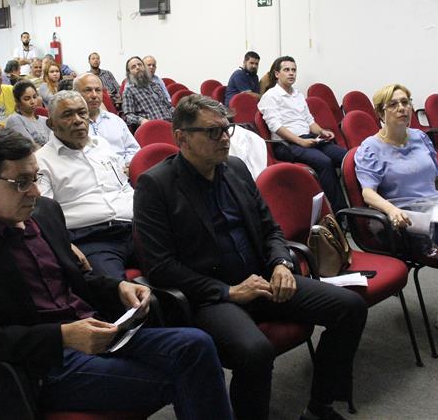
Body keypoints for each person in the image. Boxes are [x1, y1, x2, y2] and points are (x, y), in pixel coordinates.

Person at [0, 128, 232, 419]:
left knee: (198, 345)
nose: (35, 191)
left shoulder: (45, 213)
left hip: (98, 329)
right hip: (44, 362)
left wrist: (118, 288)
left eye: (35, 178)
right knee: (185, 375)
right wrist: (62, 336)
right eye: (21, 182)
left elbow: (76, 280)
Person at [134, 94, 368, 420]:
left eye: (227, 128)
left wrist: (282, 264)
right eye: (213, 132)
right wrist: (228, 292)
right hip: (212, 296)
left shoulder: (235, 168)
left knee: (350, 307)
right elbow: (161, 267)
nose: (225, 138)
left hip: (262, 279)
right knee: (256, 352)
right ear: (181, 137)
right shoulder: (155, 185)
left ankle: (319, 407)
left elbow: (270, 228)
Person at [354, 83, 438, 338]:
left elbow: (436, 178)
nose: (402, 108)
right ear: (380, 112)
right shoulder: (370, 148)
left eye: (406, 102)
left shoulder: (420, 137)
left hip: (436, 208)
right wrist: (391, 210)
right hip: (402, 217)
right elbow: (368, 193)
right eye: (394, 104)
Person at [36, 91, 136, 278]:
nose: (77, 120)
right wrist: (65, 245)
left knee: (184, 261)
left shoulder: (102, 145)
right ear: (51, 124)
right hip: (91, 239)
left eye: (82, 113)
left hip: (134, 228)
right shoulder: (42, 161)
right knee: (117, 291)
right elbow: (45, 217)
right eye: (67, 115)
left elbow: (124, 186)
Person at [258, 56, 348, 212]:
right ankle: (342, 213)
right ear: (277, 74)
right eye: (286, 70)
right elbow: (277, 127)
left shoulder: (298, 95)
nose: (291, 73)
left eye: (294, 70)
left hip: (309, 139)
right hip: (286, 144)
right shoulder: (270, 96)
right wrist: (301, 142)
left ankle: (363, 203)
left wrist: (321, 132)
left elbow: (309, 121)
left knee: (346, 157)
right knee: (324, 162)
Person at [74, 73, 139, 165]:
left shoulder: (115, 121)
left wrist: (128, 165)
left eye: (98, 90)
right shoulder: (70, 126)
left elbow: (133, 149)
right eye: (88, 90)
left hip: (122, 173)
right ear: (76, 94)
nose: (94, 95)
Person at [122, 56, 173, 129]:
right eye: (133, 67)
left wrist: (177, 114)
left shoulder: (156, 85)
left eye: (140, 65)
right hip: (152, 128)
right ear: (129, 72)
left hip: (170, 124)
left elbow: (169, 106)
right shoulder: (129, 91)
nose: (138, 67)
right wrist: (141, 120)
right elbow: (128, 116)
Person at [5, 80, 50, 149]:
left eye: (35, 97)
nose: (33, 102)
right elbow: (31, 147)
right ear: (17, 101)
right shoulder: (14, 120)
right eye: (27, 99)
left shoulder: (44, 120)